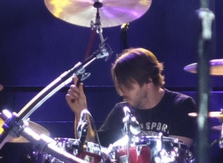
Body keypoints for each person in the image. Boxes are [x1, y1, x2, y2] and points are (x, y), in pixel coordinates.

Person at [65, 47, 196, 145]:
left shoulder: (181, 106)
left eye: (127, 86)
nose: (121, 93)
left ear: (148, 81)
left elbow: (176, 156)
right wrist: (80, 111)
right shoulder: (121, 110)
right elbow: (91, 148)